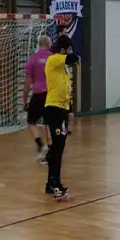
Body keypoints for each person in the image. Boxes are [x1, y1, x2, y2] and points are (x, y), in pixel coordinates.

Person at [42, 35, 78, 200]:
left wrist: (69, 110)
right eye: (68, 48)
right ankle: (55, 184)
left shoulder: (63, 68)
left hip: (61, 109)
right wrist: (72, 53)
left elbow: (65, 88)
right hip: (53, 108)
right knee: (57, 148)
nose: (70, 51)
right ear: (63, 49)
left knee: (59, 147)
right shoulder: (54, 59)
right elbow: (73, 58)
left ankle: (51, 184)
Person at [23, 35, 52, 163]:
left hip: (38, 95)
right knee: (50, 124)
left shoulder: (33, 58)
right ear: (49, 44)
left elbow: (27, 82)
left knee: (31, 121)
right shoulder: (53, 58)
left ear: (39, 44)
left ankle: (41, 145)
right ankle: (50, 152)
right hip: (52, 95)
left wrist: (24, 99)